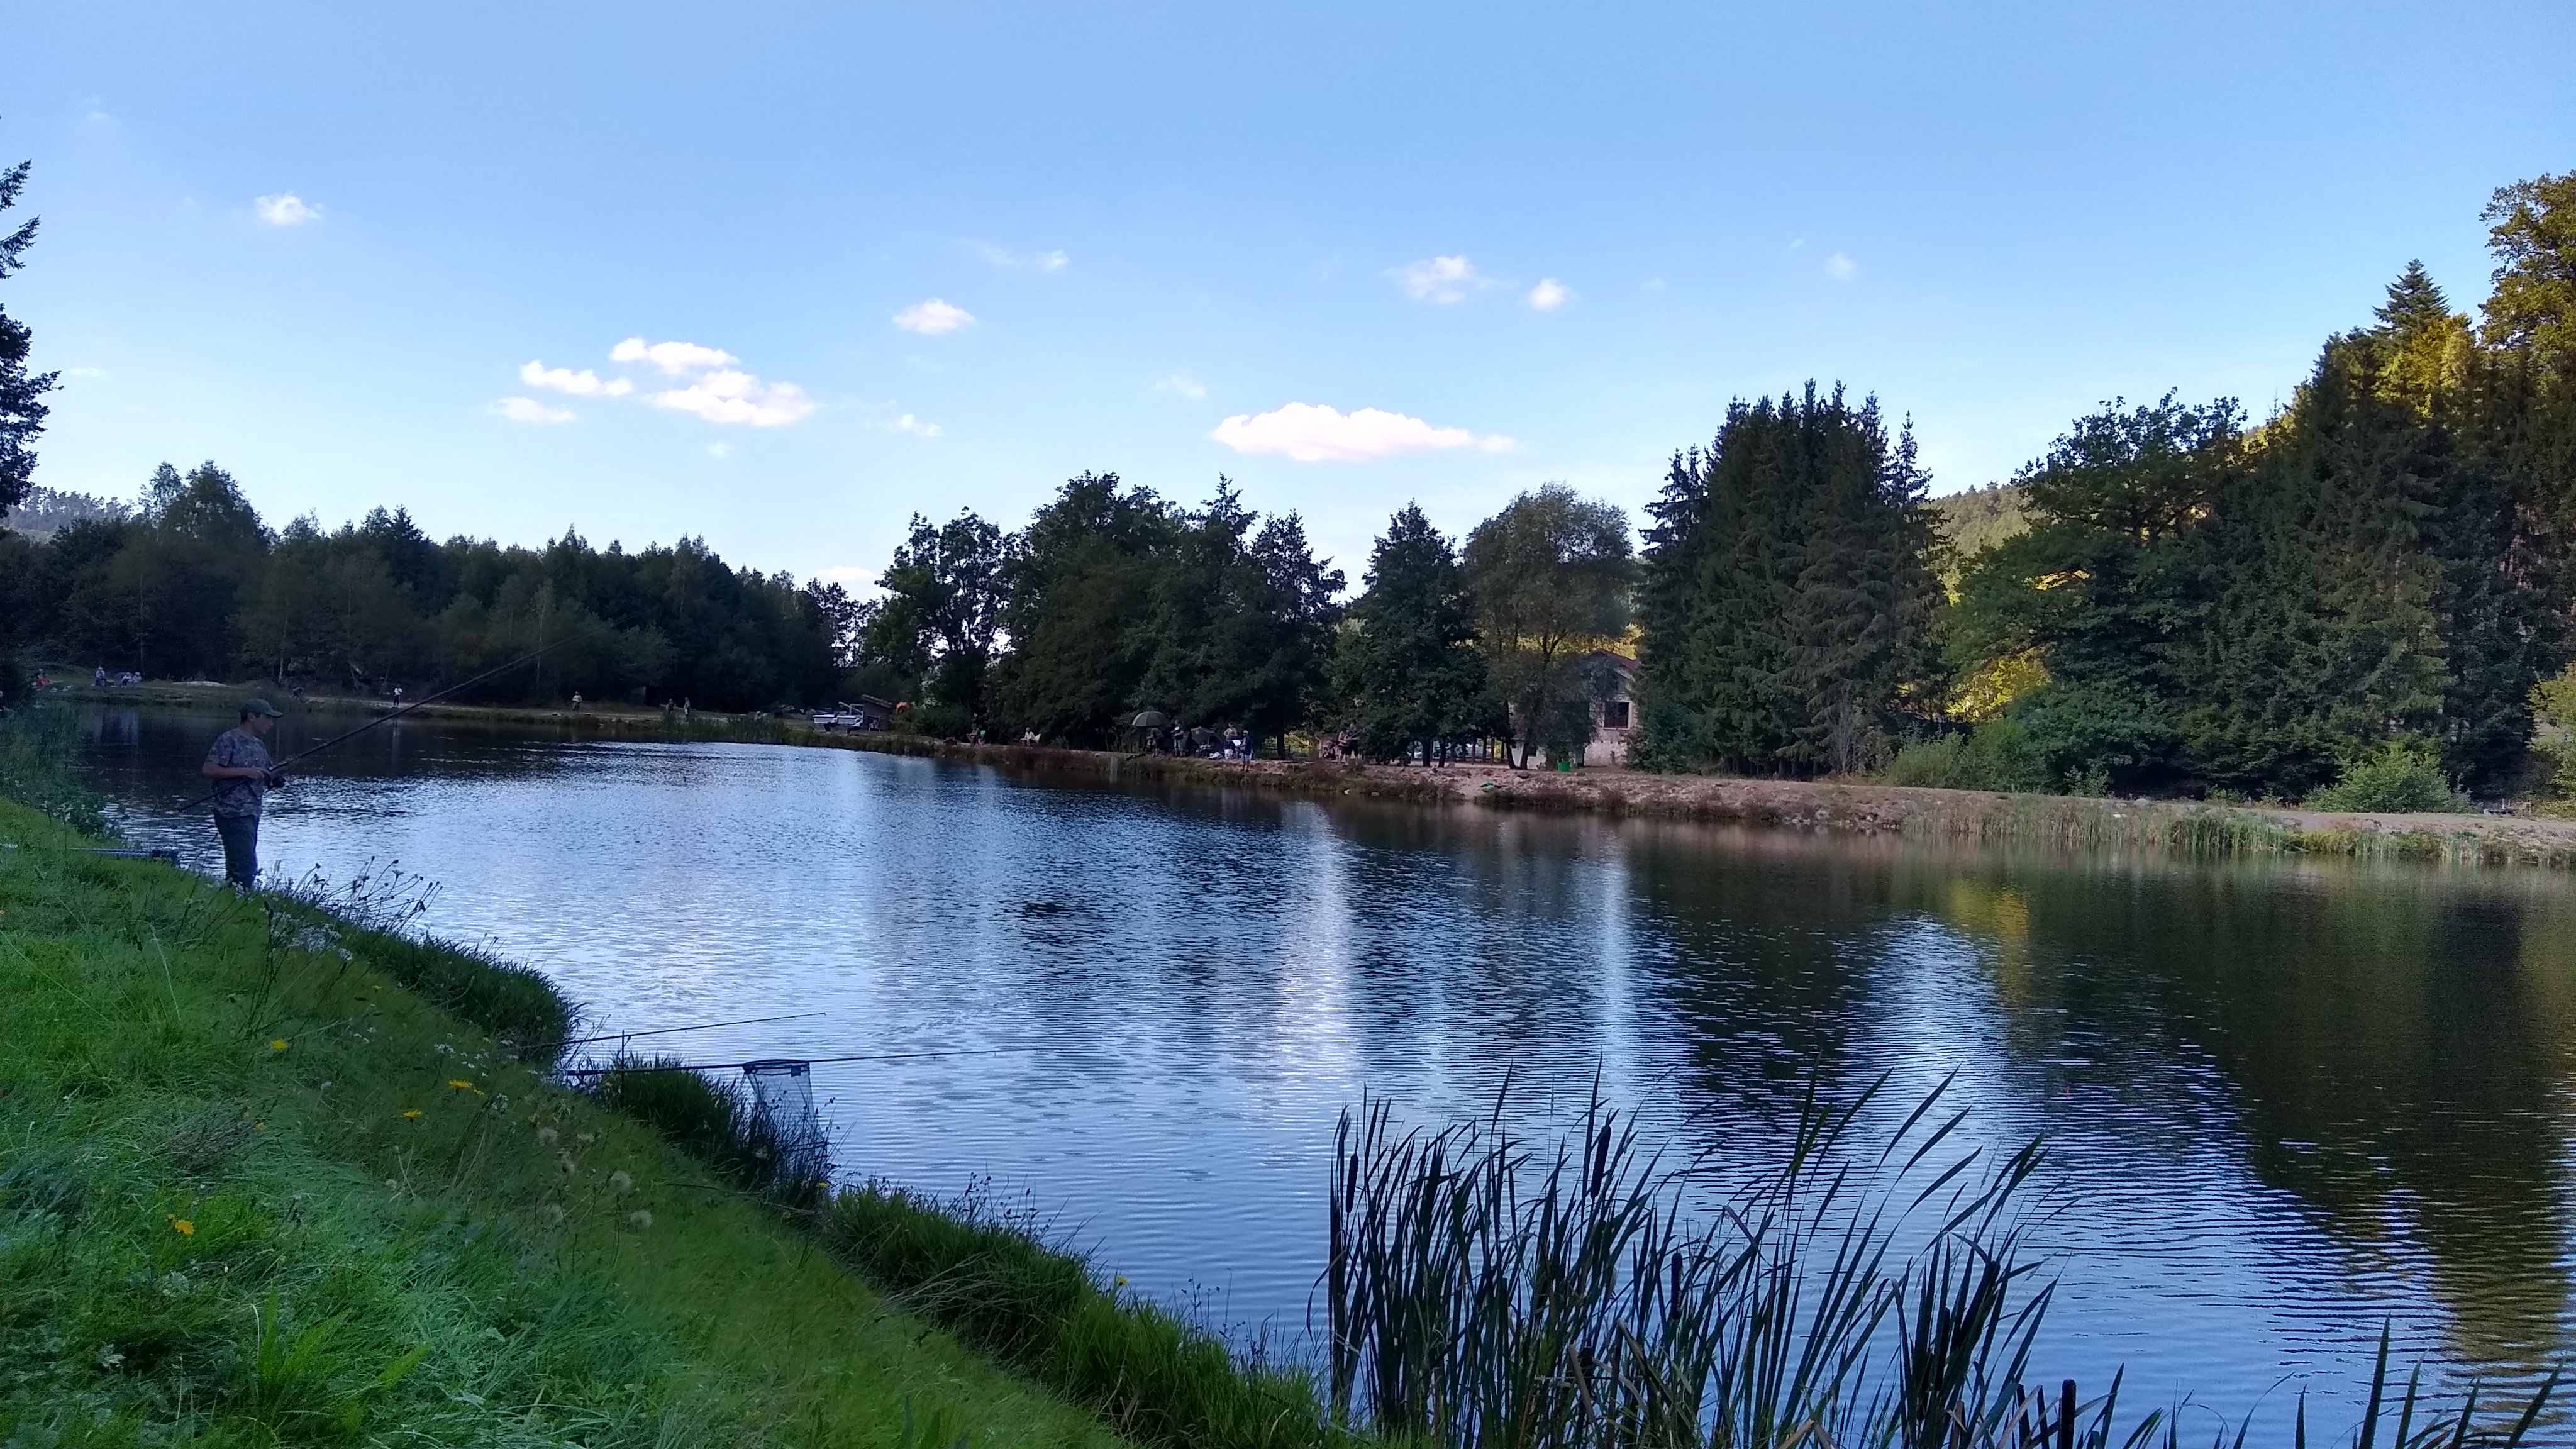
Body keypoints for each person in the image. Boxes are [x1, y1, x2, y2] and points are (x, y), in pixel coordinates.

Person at [202, 699, 286, 890]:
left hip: (252, 813)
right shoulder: (228, 740)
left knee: (241, 865)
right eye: (267, 718)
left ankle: (232, 899)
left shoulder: (259, 745)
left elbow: (265, 775)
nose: (271, 723)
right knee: (245, 867)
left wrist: (281, 771)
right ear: (252, 717)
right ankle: (237, 901)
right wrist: (246, 772)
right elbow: (209, 770)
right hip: (231, 813)